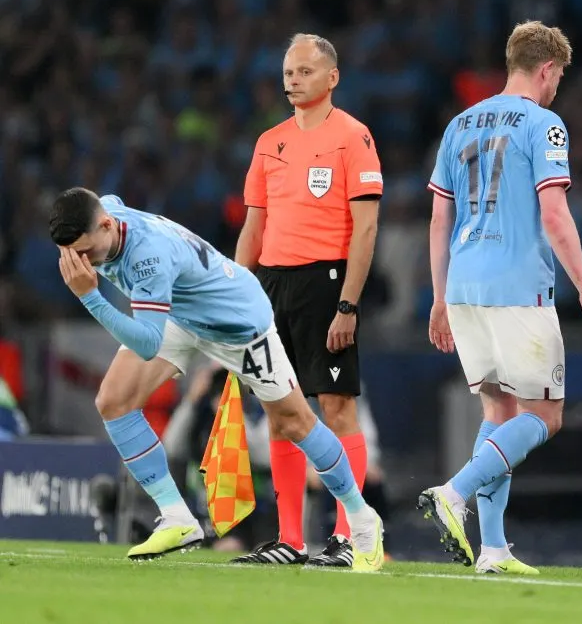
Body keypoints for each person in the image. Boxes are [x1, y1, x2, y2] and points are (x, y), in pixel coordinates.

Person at [48, 187, 384, 570]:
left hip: (235, 322)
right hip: (180, 312)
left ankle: (362, 519)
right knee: (113, 401)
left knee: (294, 422)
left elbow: (146, 344)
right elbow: (110, 198)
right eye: (71, 254)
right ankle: (177, 517)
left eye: (86, 252)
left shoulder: (147, 257)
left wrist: (89, 297)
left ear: (107, 227)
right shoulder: (104, 215)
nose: (81, 262)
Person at [417, 20, 582, 574]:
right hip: (517, 285)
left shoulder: (460, 124)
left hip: (463, 287)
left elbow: (439, 218)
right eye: (558, 78)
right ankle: (452, 494)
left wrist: (437, 298)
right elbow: (553, 213)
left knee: (499, 411)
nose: (556, 89)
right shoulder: (544, 124)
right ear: (547, 69)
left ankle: (494, 550)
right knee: (544, 417)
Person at [234, 33, 383, 567]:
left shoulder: (354, 138)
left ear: (331, 77)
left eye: (303, 72)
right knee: (280, 412)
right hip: (272, 286)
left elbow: (365, 230)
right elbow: (254, 227)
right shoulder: (268, 142)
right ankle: (290, 540)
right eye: (288, 72)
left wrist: (348, 305)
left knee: (337, 407)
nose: (292, 81)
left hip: (327, 284)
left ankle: (347, 537)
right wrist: (233, 294)